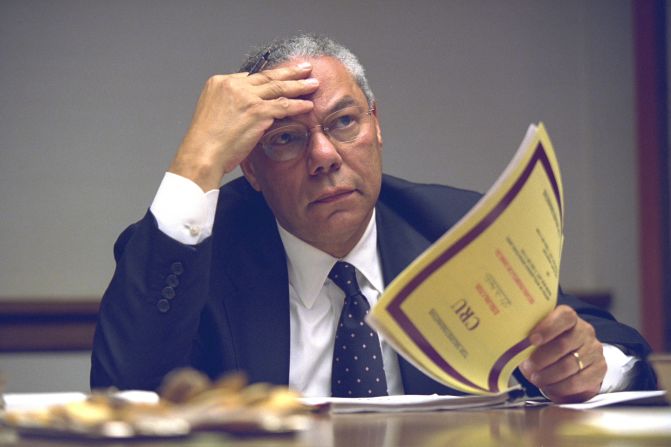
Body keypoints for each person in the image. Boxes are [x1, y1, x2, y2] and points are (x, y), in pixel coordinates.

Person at [91, 34, 656, 403]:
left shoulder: (451, 228)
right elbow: (121, 387)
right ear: (251, 169)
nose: (325, 156)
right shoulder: (199, 254)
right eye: (287, 139)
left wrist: (588, 365)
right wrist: (196, 161)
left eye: (343, 123)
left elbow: (618, 348)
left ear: (376, 127)